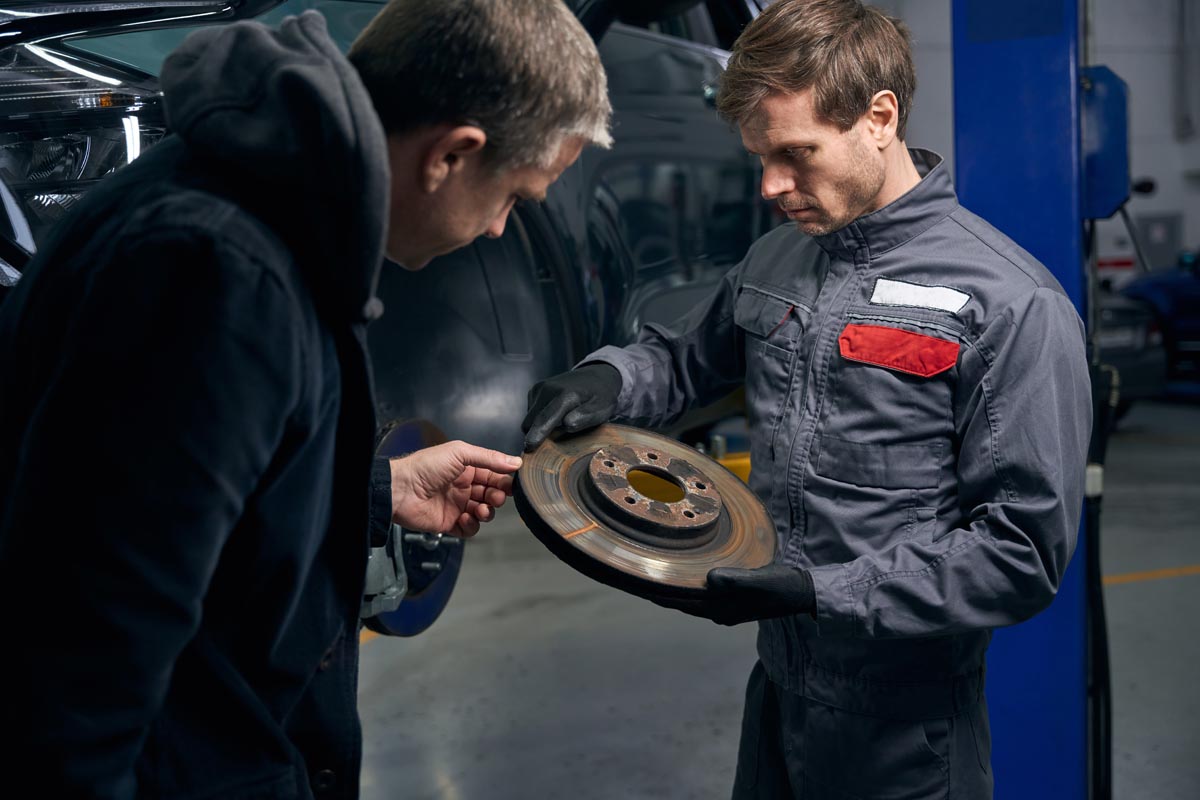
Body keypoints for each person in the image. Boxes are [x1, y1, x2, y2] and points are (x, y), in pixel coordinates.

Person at [0, 1, 610, 797]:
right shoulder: (216, 274)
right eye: (515, 197)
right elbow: (88, 655)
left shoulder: (268, 207)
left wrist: (375, 491)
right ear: (453, 154)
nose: (501, 230)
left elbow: (180, 497)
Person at [523, 0, 1091, 796]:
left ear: (879, 117)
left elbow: (1020, 555)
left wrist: (824, 591)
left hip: (908, 735)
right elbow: (687, 360)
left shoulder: (1010, 304)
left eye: (796, 154)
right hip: (778, 695)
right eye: (759, 157)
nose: (771, 185)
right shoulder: (780, 256)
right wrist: (609, 377)